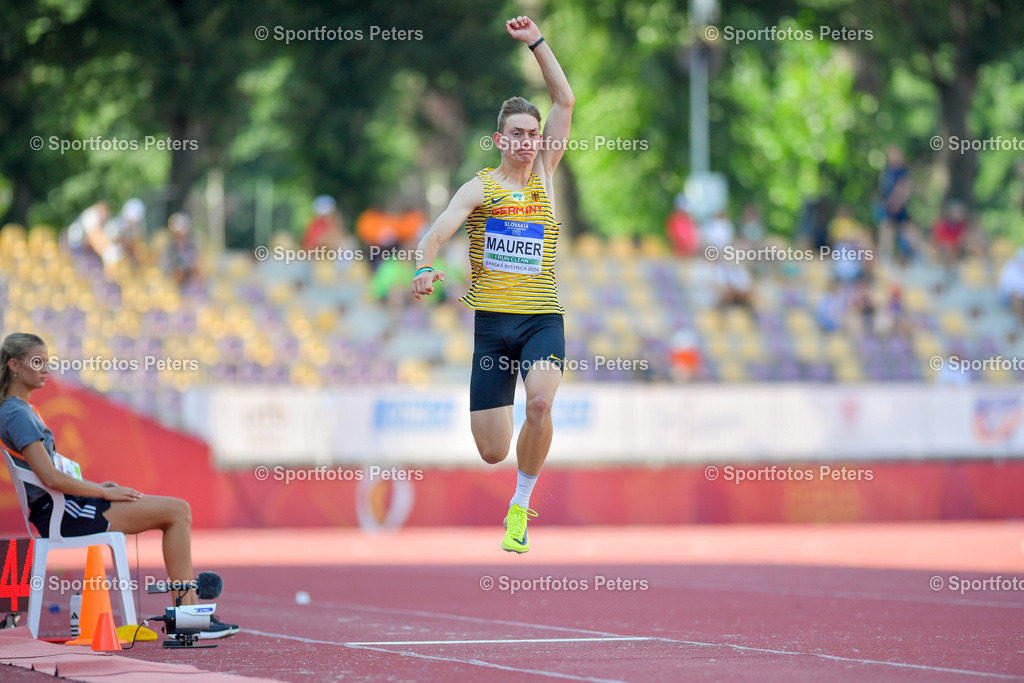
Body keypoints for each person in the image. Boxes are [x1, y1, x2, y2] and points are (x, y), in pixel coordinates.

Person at [412, 15, 573, 554]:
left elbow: (565, 101)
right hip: (491, 332)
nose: (530, 142)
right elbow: (433, 237)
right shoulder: (479, 189)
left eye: (535, 134)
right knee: (491, 451)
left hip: (541, 319)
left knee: (542, 406)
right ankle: (509, 477)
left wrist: (537, 44)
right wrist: (422, 269)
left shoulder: (547, 170)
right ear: (501, 139)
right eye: (520, 135)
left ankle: (521, 506)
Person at [0, 333, 238, 639]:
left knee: (177, 510)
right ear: (14, 366)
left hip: (66, 507)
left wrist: (95, 487)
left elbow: (53, 474)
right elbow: (51, 478)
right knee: (178, 511)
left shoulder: (19, 409)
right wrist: (103, 492)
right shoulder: (16, 414)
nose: (46, 369)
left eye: (47, 362)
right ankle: (189, 619)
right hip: (66, 514)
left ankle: (189, 616)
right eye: (37, 362)